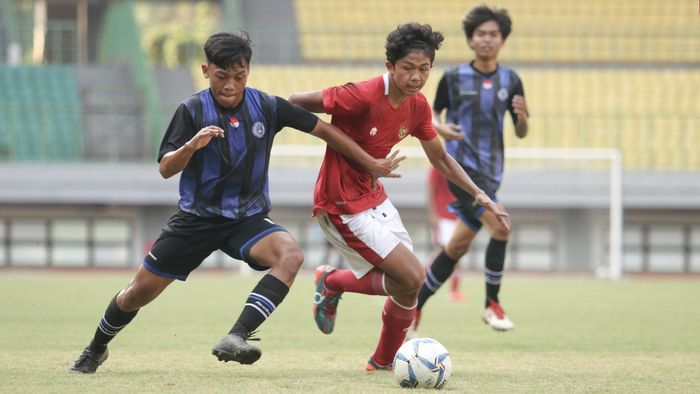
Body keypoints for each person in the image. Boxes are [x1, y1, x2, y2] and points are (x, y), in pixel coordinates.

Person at [69, 32, 403, 374]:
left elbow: (325, 130)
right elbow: (166, 168)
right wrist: (190, 147)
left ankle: (237, 336)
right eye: (221, 76)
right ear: (205, 70)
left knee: (290, 255)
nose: (230, 84)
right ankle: (96, 347)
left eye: (239, 76)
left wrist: (370, 163)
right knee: (137, 294)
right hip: (196, 220)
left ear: (248, 71)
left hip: (247, 220)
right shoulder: (192, 109)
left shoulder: (268, 106)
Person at [288, 22, 510, 372]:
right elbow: (294, 105)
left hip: (373, 197)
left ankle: (379, 360)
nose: (417, 77)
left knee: (407, 287)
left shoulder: (418, 106)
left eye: (424, 69)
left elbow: (439, 157)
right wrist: (364, 159)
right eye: (408, 68)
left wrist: (480, 193)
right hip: (340, 202)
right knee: (412, 277)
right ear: (390, 65)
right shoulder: (361, 94)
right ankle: (331, 283)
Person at [413, 5, 529, 333]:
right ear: (471, 39)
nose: (487, 40)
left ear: (502, 39)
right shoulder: (453, 77)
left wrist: (522, 118)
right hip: (460, 170)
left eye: (493, 34)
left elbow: (521, 132)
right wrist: (442, 129)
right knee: (502, 226)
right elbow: (431, 117)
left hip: (492, 174)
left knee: (456, 248)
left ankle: (413, 304)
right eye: (481, 34)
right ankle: (492, 304)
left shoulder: (512, 79)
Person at [426, 166, 464, 303]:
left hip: (457, 216)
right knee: (445, 253)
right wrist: (433, 214)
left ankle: (454, 291)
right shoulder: (438, 164)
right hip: (443, 216)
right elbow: (430, 188)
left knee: (455, 254)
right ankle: (417, 280)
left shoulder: (460, 162)